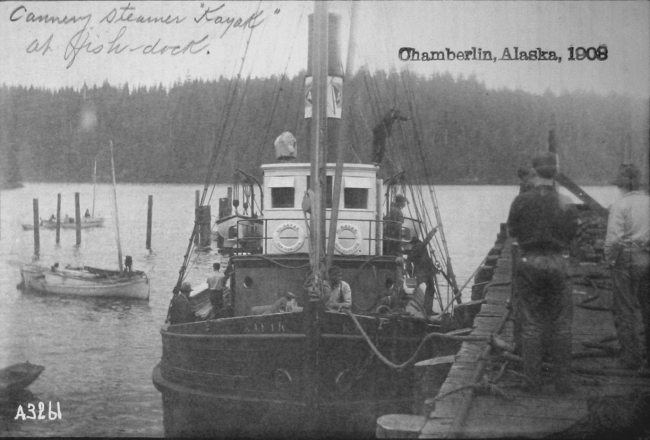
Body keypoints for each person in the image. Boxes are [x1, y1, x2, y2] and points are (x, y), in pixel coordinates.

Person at [507, 152, 579, 394]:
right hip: (559, 261)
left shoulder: (521, 201)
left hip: (529, 261)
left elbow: (513, 232)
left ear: (534, 172)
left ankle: (532, 382)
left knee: (532, 322)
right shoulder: (566, 201)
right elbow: (571, 235)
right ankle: (563, 383)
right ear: (555, 173)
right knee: (561, 324)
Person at [604, 164, 650, 370]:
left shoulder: (620, 206)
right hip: (647, 257)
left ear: (622, 185)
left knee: (625, 310)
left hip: (627, 259)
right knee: (647, 308)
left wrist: (611, 259)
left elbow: (613, 240)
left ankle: (630, 357)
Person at [406, 227, 438, 314]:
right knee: (431, 288)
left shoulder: (411, 252)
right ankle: (428, 309)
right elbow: (427, 239)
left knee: (416, 288)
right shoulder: (420, 246)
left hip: (418, 273)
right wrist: (434, 230)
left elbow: (408, 265)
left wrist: (411, 275)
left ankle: (415, 304)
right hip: (426, 272)